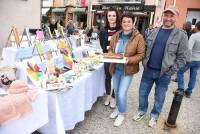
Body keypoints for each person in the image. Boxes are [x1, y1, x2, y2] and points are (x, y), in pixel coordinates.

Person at [133, 5, 189, 128]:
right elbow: (146, 48)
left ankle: (154, 115)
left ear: (176, 17)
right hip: (148, 70)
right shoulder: (153, 31)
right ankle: (142, 111)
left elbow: (183, 57)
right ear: (163, 16)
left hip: (164, 73)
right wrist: (143, 62)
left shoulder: (181, 35)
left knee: (159, 97)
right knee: (142, 93)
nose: (168, 18)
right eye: (166, 15)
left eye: (171, 16)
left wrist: (171, 71)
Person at [108, 13, 145, 126]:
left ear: (133, 23)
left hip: (127, 70)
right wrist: (111, 55)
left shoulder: (138, 37)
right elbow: (111, 49)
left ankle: (121, 114)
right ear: (121, 23)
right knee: (117, 91)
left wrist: (129, 59)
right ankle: (117, 109)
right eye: (124, 21)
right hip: (115, 68)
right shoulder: (116, 36)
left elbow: (141, 54)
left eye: (129, 21)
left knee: (122, 94)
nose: (126, 23)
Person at [99, 7, 121, 108]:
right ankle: (108, 95)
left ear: (117, 17)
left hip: (117, 58)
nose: (111, 18)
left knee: (117, 78)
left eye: (113, 15)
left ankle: (113, 97)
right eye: (109, 16)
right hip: (107, 57)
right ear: (106, 17)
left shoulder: (120, 30)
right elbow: (102, 44)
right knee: (108, 77)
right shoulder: (103, 30)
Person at [176, 21, 200, 98]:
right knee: (193, 75)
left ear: (196, 27)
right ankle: (189, 91)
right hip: (198, 60)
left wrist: (187, 59)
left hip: (191, 59)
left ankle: (181, 89)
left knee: (180, 72)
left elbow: (189, 48)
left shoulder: (194, 36)